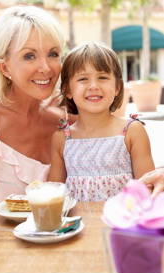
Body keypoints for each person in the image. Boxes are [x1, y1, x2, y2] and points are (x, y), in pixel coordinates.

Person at [0, 5, 66, 204]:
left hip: (60, 235)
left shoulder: (63, 120)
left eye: (53, 54)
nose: (45, 68)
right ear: (4, 67)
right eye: (29, 56)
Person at [48, 42, 155, 201]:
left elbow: (148, 190)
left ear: (118, 87)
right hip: (77, 224)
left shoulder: (132, 131)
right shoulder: (62, 138)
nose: (93, 86)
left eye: (103, 77)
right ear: (67, 90)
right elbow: (52, 194)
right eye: (83, 79)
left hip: (121, 223)